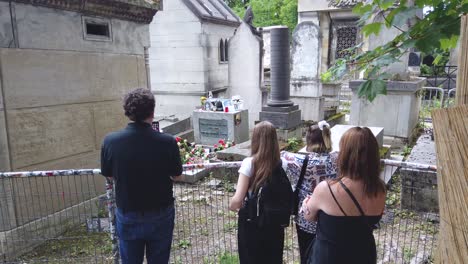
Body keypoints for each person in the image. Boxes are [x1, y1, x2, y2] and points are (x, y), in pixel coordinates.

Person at [100, 88, 182, 264]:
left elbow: (109, 176)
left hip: (128, 213)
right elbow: (177, 175)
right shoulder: (167, 142)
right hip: (161, 213)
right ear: (152, 112)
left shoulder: (110, 141)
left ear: (127, 112)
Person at [301, 127, 386, 264]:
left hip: (331, 257)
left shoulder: (327, 189)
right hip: (364, 255)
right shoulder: (380, 189)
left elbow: (309, 216)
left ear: (345, 154)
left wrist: (306, 204)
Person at [228, 121, 289, 264]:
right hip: (274, 223)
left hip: (252, 222)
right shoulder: (282, 163)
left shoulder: (249, 163)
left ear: (255, 139)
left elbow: (237, 200)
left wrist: (232, 205)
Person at [281, 121, 338, 264]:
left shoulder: (299, 160)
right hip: (331, 217)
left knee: (306, 254)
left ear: (309, 140)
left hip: (306, 218)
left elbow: (281, 155)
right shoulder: (337, 159)